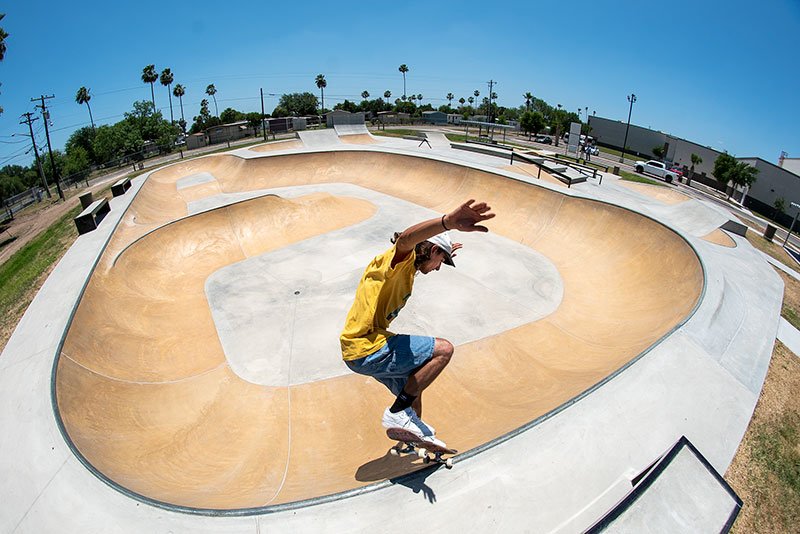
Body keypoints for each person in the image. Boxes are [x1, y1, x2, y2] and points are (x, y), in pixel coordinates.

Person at [340, 199, 495, 447]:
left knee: (414, 390)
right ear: (433, 251)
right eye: (441, 261)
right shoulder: (396, 262)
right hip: (366, 346)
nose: (438, 268)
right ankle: (396, 413)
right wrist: (447, 223)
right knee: (444, 350)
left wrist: (444, 248)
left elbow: (422, 252)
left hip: (361, 352)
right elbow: (406, 240)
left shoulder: (410, 269)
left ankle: (414, 440)